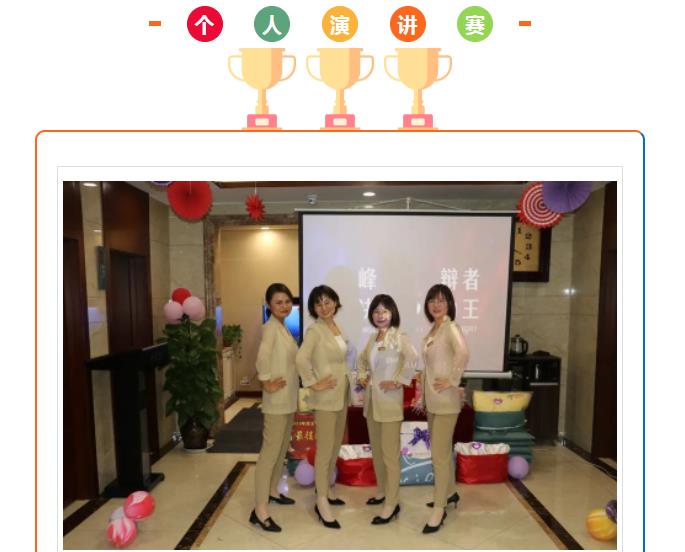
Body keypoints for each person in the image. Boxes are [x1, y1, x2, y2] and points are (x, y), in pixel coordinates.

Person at [357, 294, 417, 525]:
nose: (380, 315)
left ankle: (391, 503)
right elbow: (362, 361)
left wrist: (398, 381)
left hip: (390, 404)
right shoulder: (373, 338)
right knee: (378, 452)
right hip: (372, 404)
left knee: (390, 456)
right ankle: (382, 492)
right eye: (376, 311)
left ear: (392, 313)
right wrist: (362, 376)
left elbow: (413, 358)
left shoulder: (398, 336)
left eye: (384, 311)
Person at [296, 285, 349, 529]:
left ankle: (326, 488)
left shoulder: (335, 326)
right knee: (325, 449)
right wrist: (312, 383)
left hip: (341, 396)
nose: (324, 307)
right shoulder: (315, 330)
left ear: (335, 302)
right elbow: (301, 359)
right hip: (326, 398)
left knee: (335, 445)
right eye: (318, 303)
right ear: (313, 308)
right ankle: (321, 501)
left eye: (328, 302)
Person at [419, 284, 469, 534]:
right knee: (442, 452)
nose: (436, 305)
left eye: (441, 300)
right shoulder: (434, 329)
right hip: (432, 401)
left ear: (449, 304)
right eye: (432, 300)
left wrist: (453, 380)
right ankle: (449, 493)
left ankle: (439, 508)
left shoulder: (451, 327)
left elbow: (463, 353)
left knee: (438, 455)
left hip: (447, 401)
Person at [249, 283, 299, 533]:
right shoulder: (270, 328)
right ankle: (260, 510)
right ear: (269, 304)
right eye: (278, 302)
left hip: (288, 400)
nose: (284, 306)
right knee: (269, 454)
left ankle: (271, 491)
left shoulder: (283, 327)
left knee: (280, 451)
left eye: (287, 301)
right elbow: (262, 356)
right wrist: (265, 381)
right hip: (277, 401)